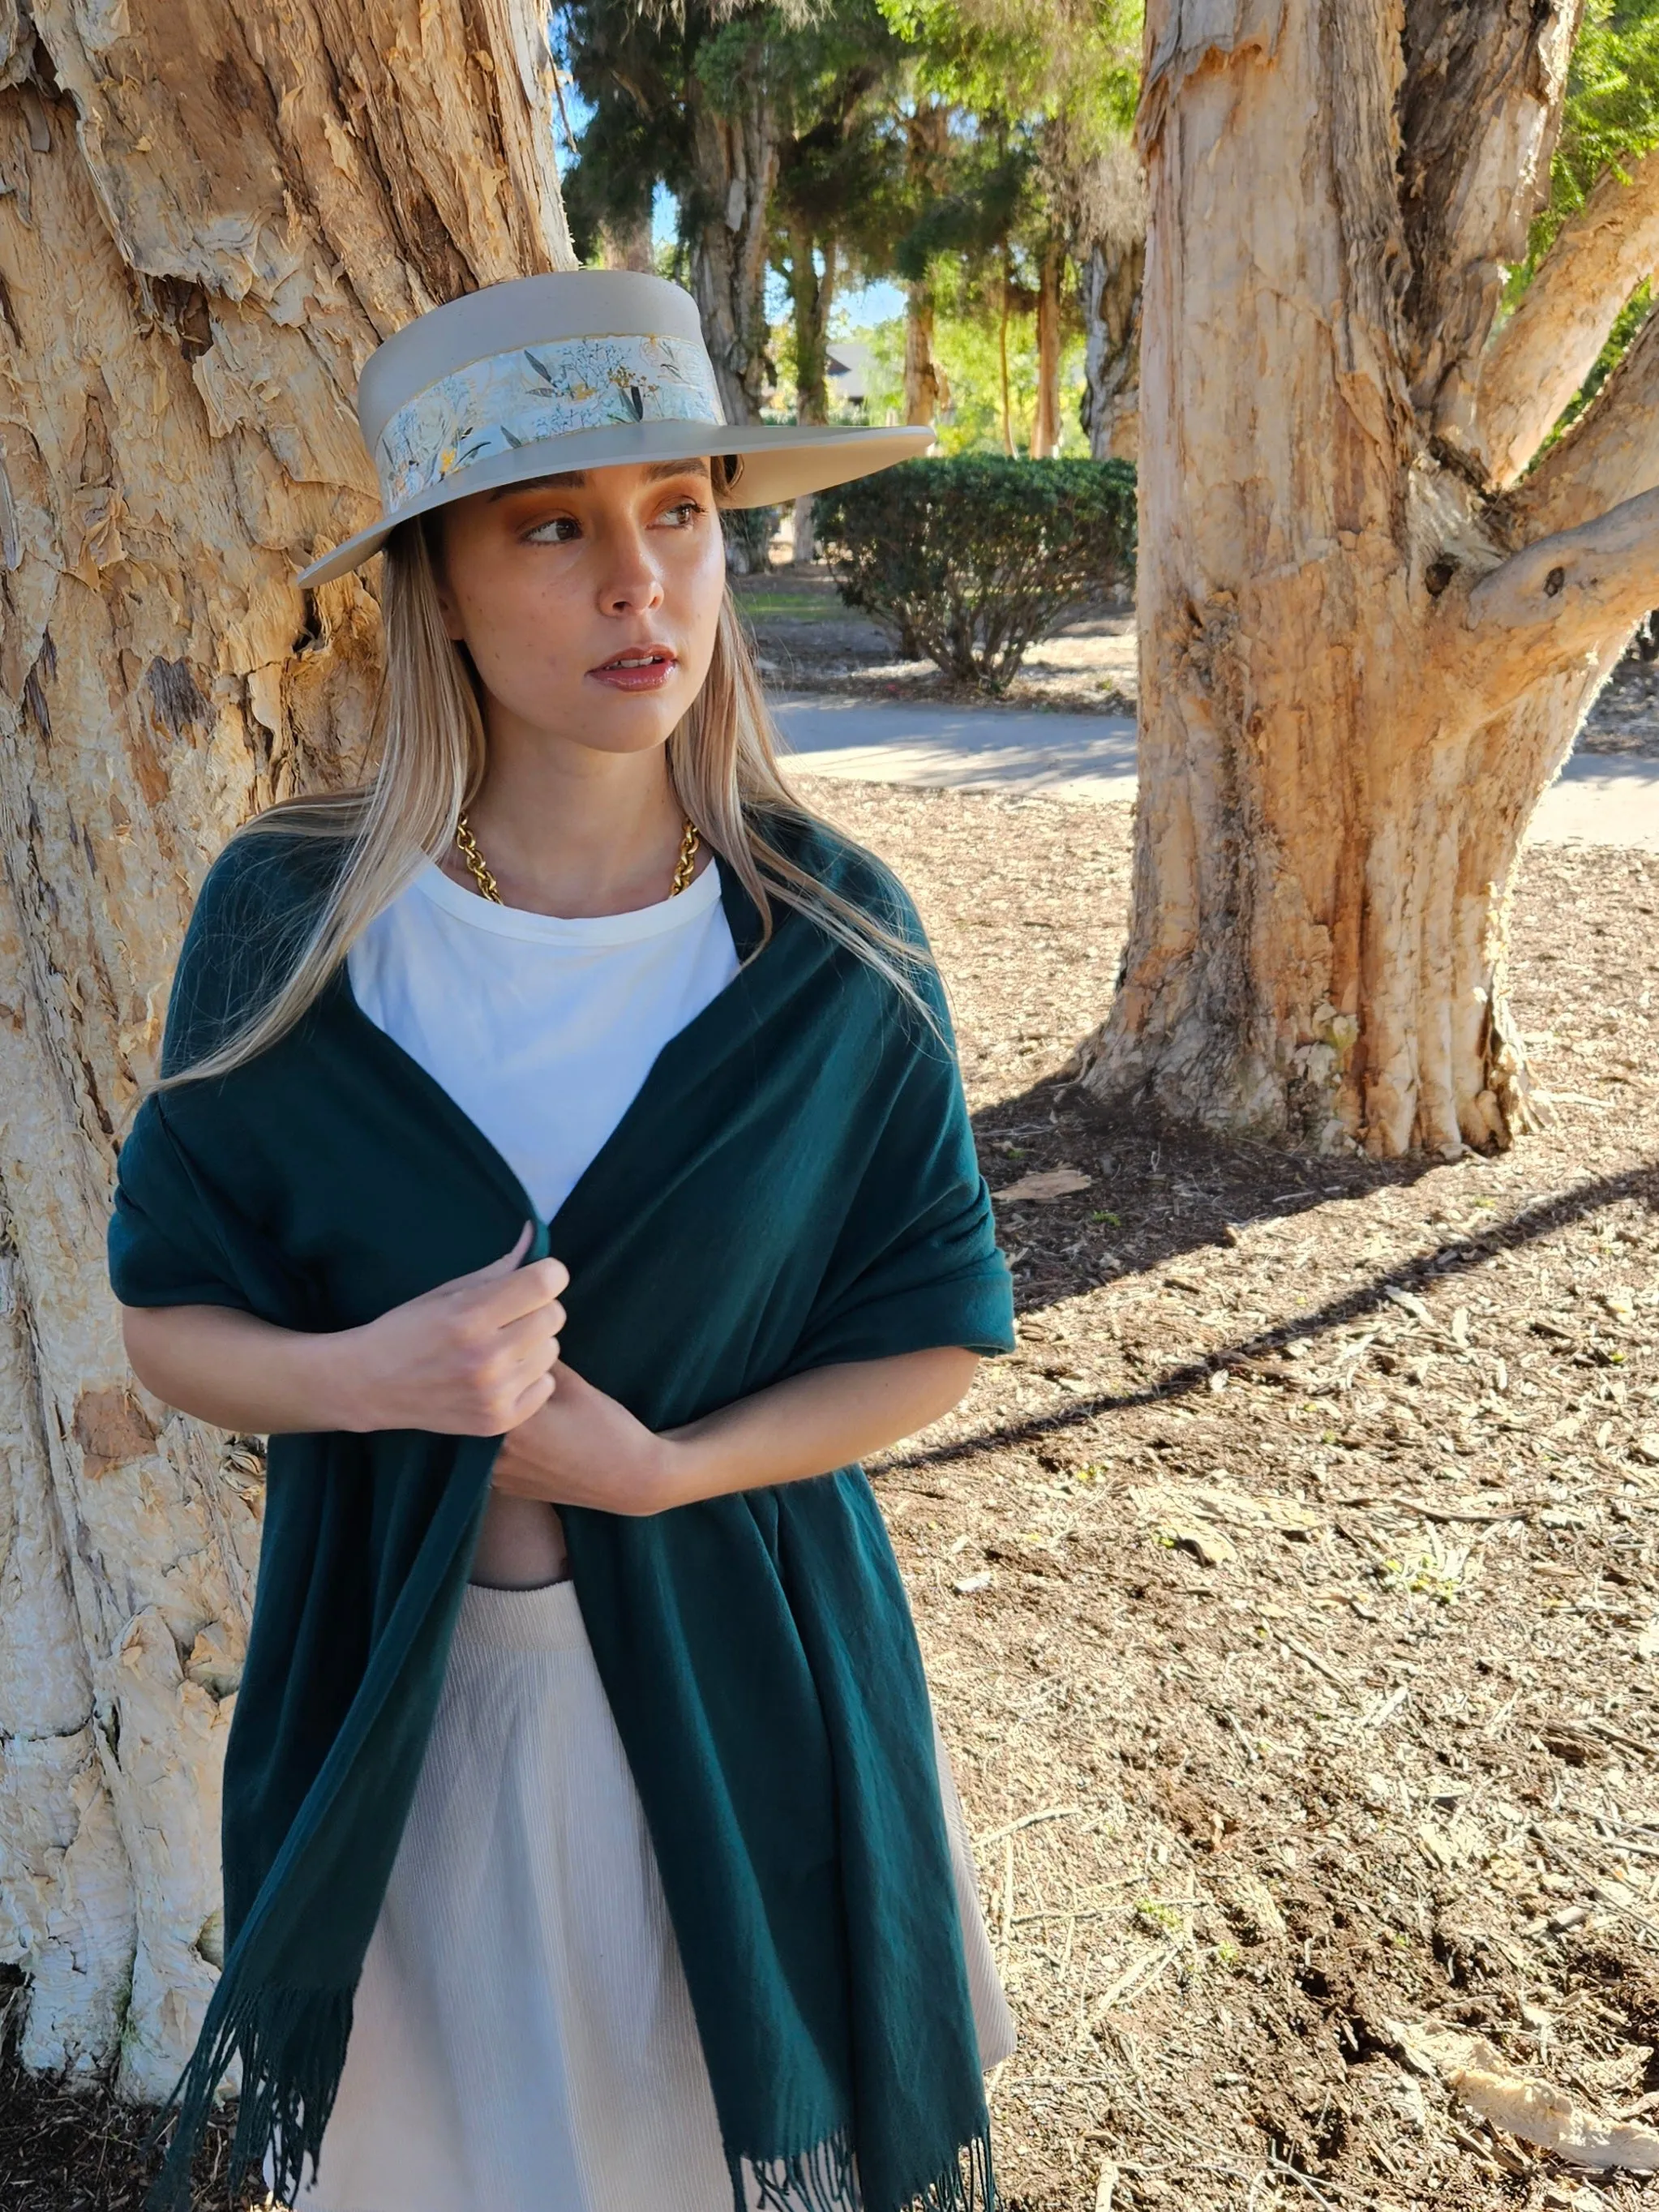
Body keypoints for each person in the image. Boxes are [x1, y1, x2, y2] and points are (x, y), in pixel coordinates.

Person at [107, 269, 1017, 2212]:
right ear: (437, 583)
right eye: (555, 526)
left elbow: (935, 1328)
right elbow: (165, 1318)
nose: (641, 583)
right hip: (411, 1727)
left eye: (678, 510)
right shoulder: (294, 926)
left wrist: (666, 1462)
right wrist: (373, 1380)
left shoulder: (833, 938)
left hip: (748, 1707)